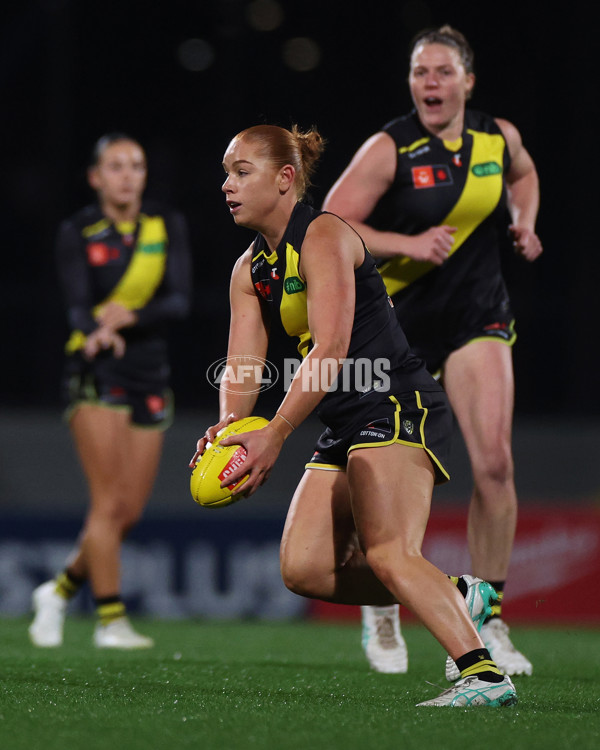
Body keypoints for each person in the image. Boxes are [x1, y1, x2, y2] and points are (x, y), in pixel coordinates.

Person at [190, 123, 517, 707]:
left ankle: (484, 676)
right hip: (346, 423)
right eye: (226, 172)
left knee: (389, 550)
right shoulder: (250, 269)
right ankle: (454, 593)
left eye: (242, 172)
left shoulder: (322, 235)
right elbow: (242, 367)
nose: (226, 185)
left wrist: (277, 434)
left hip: (396, 404)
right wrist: (230, 432)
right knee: (304, 569)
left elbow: (332, 348)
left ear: (285, 179)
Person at [322, 25, 542, 678]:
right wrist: (405, 243)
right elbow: (331, 227)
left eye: (443, 72)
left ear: (468, 82)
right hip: (397, 327)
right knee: (379, 472)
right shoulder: (391, 147)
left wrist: (525, 220)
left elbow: (525, 176)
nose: (431, 84)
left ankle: (488, 614)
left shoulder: (496, 138)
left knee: (496, 464)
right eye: (421, 72)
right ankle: (382, 605)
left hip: (477, 317)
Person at [29, 133, 192, 649]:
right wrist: (98, 330)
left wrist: (131, 316)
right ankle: (110, 619)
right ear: (96, 177)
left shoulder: (165, 225)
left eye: (136, 166)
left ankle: (56, 591)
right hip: (96, 368)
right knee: (106, 503)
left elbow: (180, 300)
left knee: (128, 512)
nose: (127, 175)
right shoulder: (77, 231)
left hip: (148, 370)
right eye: (116, 166)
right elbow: (76, 305)